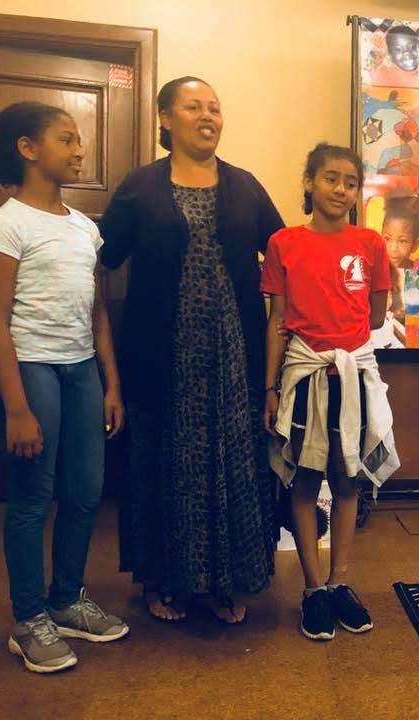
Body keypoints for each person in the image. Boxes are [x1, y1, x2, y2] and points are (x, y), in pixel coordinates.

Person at [99, 77, 283, 624]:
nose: (208, 116)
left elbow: (284, 257)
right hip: (161, 354)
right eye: (193, 106)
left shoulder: (245, 186)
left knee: (231, 463)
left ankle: (226, 581)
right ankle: (161, 580)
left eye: (215, 108)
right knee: (162, 461)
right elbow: (101, 259)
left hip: (233, 357)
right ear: (165, 118)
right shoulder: (140, 187)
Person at [0, 102, 129, 673]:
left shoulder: (85, 228)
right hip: (30, 370)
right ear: (27, 148)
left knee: (86, 490)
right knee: (32, 497)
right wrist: (17, 408)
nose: (79, 150)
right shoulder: (6, 224)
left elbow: (96, 312)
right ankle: (28, 620)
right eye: (66, 139)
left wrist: (111, 383)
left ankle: (66, 601)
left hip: (81, 369)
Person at [262, 143, 400, 641]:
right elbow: (277, 322)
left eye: (350, 182)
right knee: (303, 483)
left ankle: (340, 582)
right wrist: (270, 388)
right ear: (309, 183)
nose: (341, 190)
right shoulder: (284, 243)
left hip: (353, 376)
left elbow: (377, 316)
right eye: (330, 179)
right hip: (305, 376)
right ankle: (313, 589)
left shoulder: (370, 244)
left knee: (347, 481)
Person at [370, 25, 419, 90]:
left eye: (413, 47)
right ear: (390, 53)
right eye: (398, 49)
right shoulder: (383, 75)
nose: (407, 53)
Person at [382, 192, 419, 270]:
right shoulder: (378, 267)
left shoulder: (418, 269)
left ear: (415, 245)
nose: (393, 248)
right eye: (387, 239)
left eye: (402, 241)